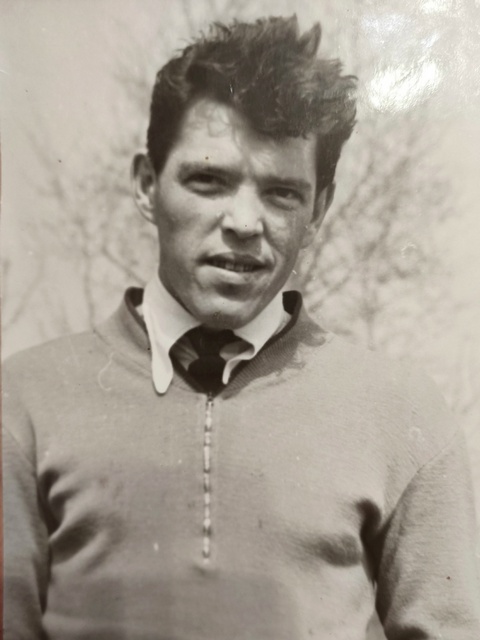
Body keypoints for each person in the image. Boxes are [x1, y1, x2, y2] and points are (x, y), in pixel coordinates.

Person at [3, 15, 479, 640]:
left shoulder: (402, 413)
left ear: (319, 208)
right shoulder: (23, 402)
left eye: (282, 193)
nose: (245, 223)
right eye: (209, 180)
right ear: (147, 185)